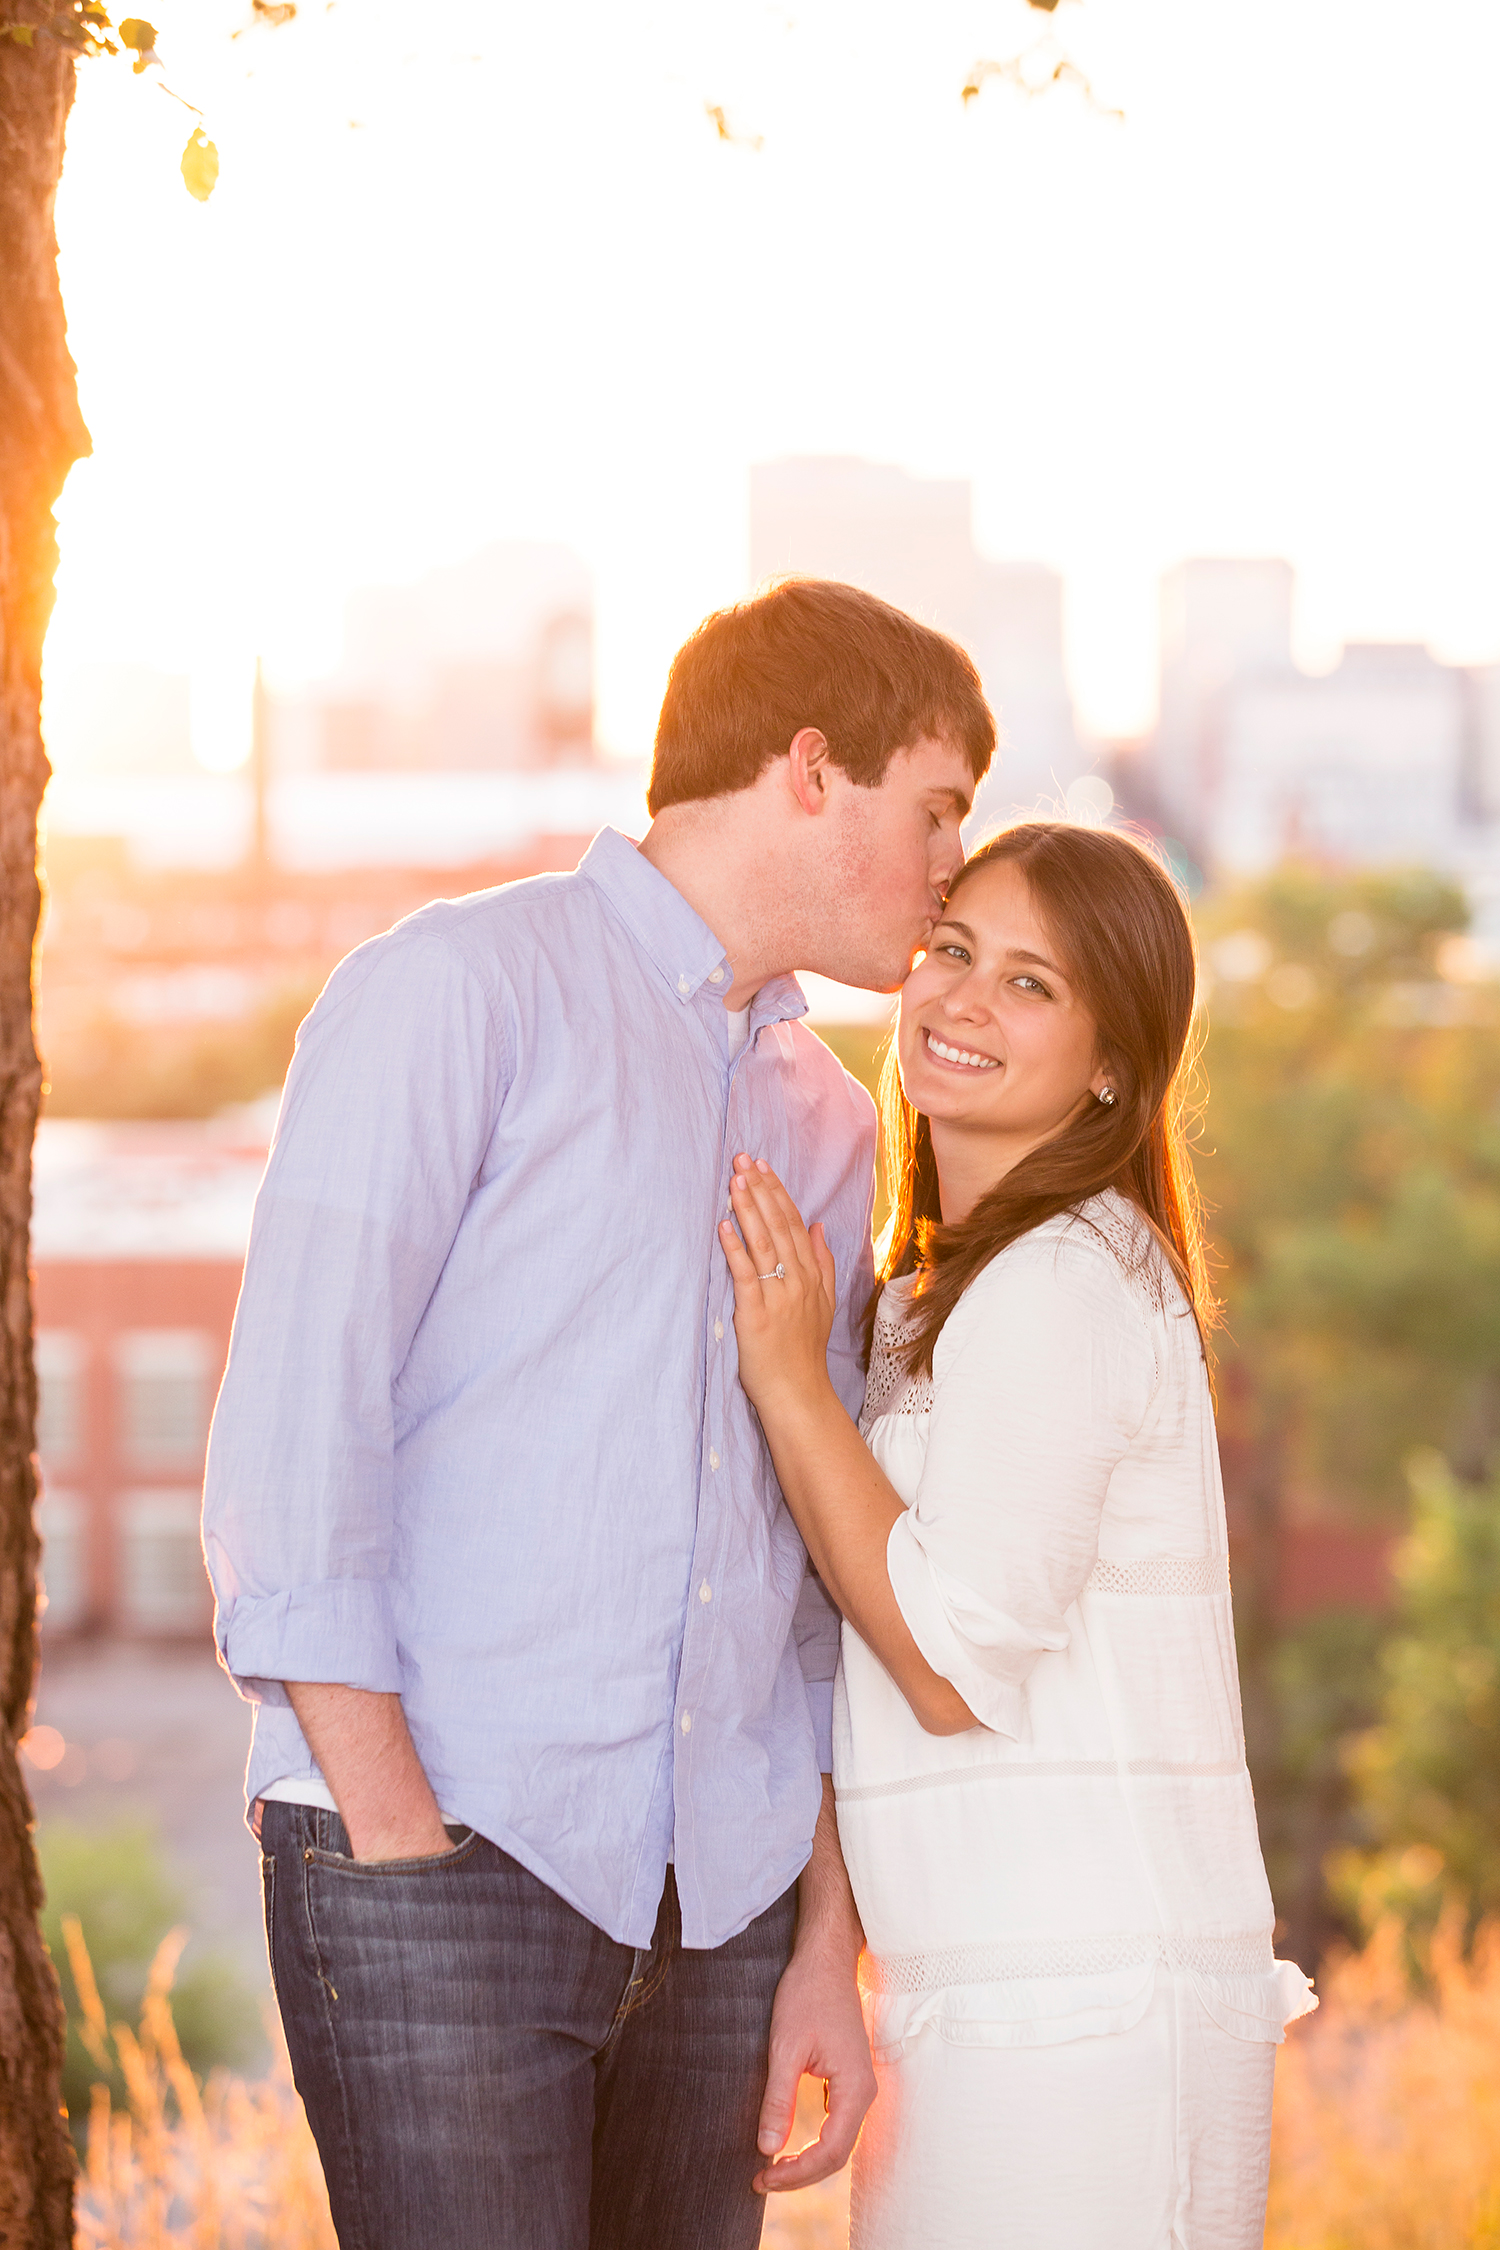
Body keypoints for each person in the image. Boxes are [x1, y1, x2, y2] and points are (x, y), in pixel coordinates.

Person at [201, 577, 996, 2250]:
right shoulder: (455, 989)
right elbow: (294, 1439)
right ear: (808, 766)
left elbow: (809, 1571)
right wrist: (397, 1841)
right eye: (935, 811)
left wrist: (816, 1944)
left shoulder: (829, 1118)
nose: (949, 871)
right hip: (448, 1859)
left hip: (722, 1916)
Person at [721, 819, 1316, 2250]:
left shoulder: (1061, 1281)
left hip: (1090, 2025)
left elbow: (944, 1662)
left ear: (1115, 1063)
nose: (962, 999)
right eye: (952, 951)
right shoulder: (950, 1290)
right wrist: (838, 1949)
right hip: (998, 2009)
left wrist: (791, 1381)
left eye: (1032, 983)